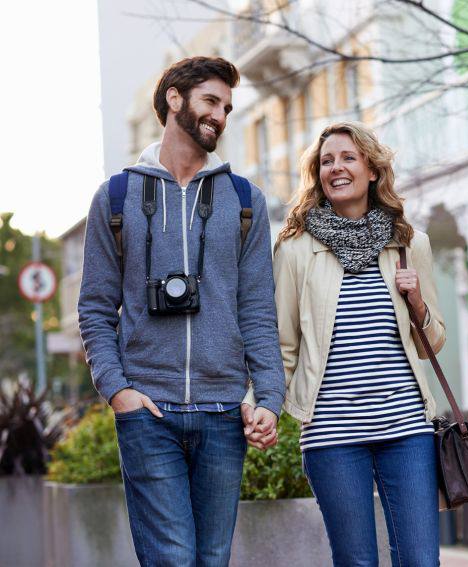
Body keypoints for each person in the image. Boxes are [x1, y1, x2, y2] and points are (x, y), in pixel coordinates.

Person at [78, 56, 284, 567]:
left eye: (228, 107)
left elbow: (257, 308)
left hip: (222, 413)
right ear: (175, 98)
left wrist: (270, 398)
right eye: (211, 101)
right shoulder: (117, 197)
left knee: (211, 559)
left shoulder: (244, 200)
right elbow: (96, 309)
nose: (220, 115)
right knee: (172, 558)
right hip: (149, 411)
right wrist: (117, 390)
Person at [242, 121, 446, 566]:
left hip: (407, 429)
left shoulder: (410, 244)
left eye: (348, 158)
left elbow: (433, 344)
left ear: (372, 170)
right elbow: (282, 344)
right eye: (326, 161)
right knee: (355, 562)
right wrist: (259, 403)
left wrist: (415, 300)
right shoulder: (294, 251)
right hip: (333, 435)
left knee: (421, 560)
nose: (336, 168)